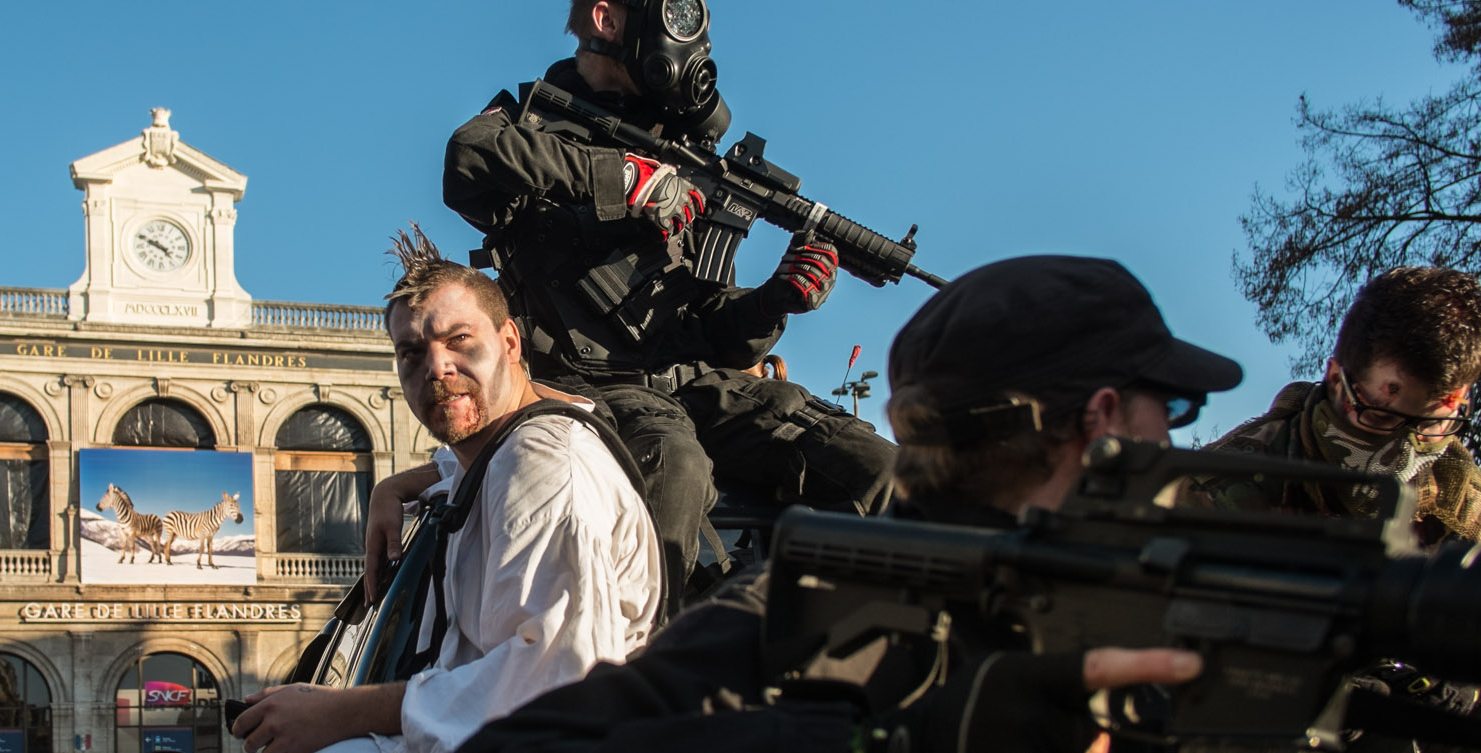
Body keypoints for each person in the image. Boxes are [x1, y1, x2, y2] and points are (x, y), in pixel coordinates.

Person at [457, 255, 1236, 753]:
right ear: (1100, 423)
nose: (1171, 440)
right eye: (1167, 408)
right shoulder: (818, 606)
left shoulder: (1190, 602)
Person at [439, 0, 895, 614]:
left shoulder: (687, 154)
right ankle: (647, 678)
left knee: (872, 465)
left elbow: (715, 333)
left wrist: (776, 300)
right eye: (674, 16)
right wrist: (622, 179)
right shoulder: (530, 125)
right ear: (608, 18)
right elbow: (466, 157)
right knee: (675, 466)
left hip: (689, 382)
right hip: (582, 389)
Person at [232, 228, 661, 753]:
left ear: (508, 342)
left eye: (458, 340)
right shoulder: (493, 457)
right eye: (412, 352)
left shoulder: (545, 466)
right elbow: (454, 467)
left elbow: (559, 680)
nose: (437, 368)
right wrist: (391, 487)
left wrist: (342, 711)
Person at [1180, 266, 1481, 549]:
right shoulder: (1217, 490)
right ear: (1336, 379)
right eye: (1380, 416)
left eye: (1431, 425)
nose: (1404, 454)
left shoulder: (1466, 503)